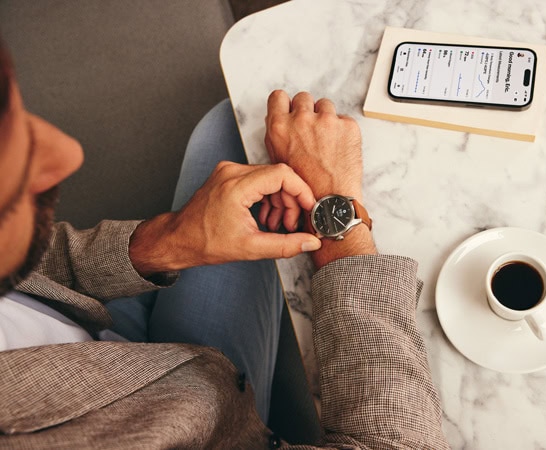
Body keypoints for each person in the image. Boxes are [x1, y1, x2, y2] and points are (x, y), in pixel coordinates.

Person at [0, 38, 449, 448]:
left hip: (93, 328)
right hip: (198, 411)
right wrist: (339, 216)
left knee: (234, 128)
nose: (68, 153)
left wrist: (166, 243)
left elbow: (29, 268)